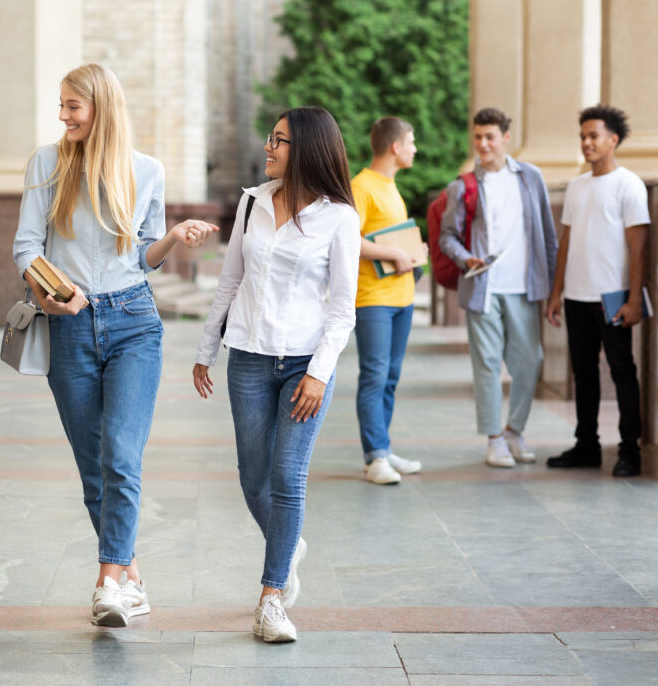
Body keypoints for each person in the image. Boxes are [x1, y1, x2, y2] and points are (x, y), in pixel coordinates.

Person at [12, 63, 217, 627]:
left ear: (100, 106)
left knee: (122, 455)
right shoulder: (47, 164)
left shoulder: (147, 171)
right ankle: (131, 573)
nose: (62, 116)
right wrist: (51, 292)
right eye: (61, 105)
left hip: (133, 321)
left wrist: (172, 238)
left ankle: (107, 581)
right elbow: (27, 248)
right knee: (94, 468)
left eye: (72, 106)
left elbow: (143, 255)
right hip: (69, 324)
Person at [193, 107, 360, 642]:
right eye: (270, 138)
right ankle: (287, 544)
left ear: (307, 149)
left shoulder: (339, 218)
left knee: (288, 477)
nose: (268, 147)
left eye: (280, 140)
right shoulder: (252, 204)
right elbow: (229, 281)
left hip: (306, 364)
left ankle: (271, 597)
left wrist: (318, 373)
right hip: (248, 356)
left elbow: (342, 309)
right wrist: (206, 349)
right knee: (251, 477)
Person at [439, 107, 557, 468]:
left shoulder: (530, 178)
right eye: (477, 137)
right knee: (487, 364)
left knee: (530, 361)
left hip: (524, 288)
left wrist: (553, 289)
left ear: (506, 138)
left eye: (490, 137)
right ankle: (494, 439)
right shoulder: (463, 187)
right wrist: (466, 258)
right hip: (482, 289)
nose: (483, 144)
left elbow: (548, 236)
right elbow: (447, 237)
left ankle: (514, 430)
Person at [545, 104, 650, 477]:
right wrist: (555, 293)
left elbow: (638, 247)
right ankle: (586, 445)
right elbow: (566, 242)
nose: (587, 143)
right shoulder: (576, 186)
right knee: (584, 374)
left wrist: (634, 298)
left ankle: (629, 451)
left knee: (623, 371)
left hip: (614, 297)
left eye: (594, 136)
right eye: (583, 137)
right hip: (576, 296)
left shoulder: (629, 185)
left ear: (613, 140)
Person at [351, 116, 424, 485]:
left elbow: (386, 237)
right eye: (411, 142)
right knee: (375, 375)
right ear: (395, 147)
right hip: (373, 299)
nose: (415, 148)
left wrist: (410, 254)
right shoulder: (361, 186)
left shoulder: (391, 187)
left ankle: (383, 448)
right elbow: (348, 237)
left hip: (402, 297)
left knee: (390, 377)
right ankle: (375, 456)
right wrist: (395, 254)